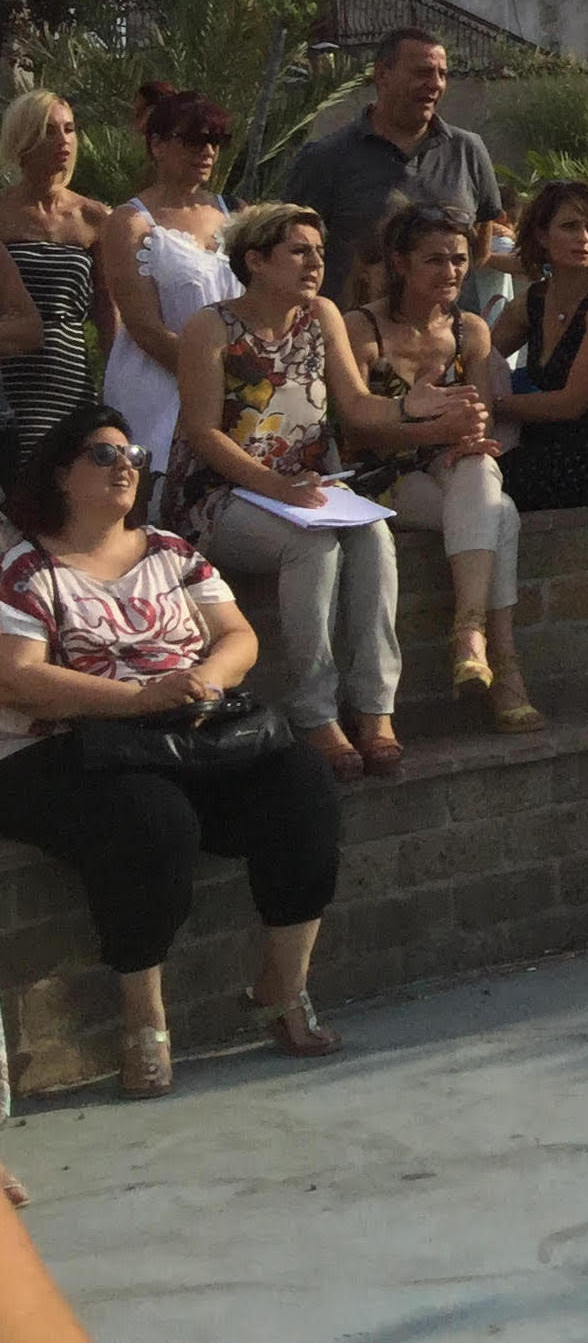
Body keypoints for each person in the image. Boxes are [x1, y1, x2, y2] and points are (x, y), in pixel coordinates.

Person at [0, 408, 346, 1100]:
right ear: (61, 475)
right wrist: (135, 698)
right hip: (64, 749)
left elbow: (237, 634)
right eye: (103, 454)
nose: (125, 462)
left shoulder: (169, 549)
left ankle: (285, 984)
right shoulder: (26, 566)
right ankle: (145, 1021)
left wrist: (206, 678)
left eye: (131, 451)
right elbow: (18, 675)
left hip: (182, 730)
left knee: (303, 784)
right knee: (154, 824)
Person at [162, 204, 487, 781]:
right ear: (256, 261)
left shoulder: (321, 315)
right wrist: (274, 486)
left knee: (375, 538)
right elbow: (203, 432)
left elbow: (358, 405)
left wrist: (412, 405)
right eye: (299, 251)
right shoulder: (210, 328)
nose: (316, 262)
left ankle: (374, 707)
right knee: (312, 549)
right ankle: (314, 713)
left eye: (318, 250)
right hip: (221, 493)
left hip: (310, 489)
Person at [341, 205, 542, 734]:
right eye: (435, 260)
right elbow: (355, 432)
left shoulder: (471, 329)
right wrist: (430, 430)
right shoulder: (361, 330)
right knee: (504, 516)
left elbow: (481, 420)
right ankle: (503, 665)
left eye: (458, 260)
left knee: (480, 469)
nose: (451, 271)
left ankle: (469, 634)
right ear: (401, 263)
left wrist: (466, 435)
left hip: (448, 465)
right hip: (380, 477)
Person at [280, 27, 512, 308]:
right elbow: (288, 251)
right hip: (356, 340)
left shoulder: (467, 150)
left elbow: (482, 239)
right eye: (422, 72)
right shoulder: (326, 158)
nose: (435, 84)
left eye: (442, 74)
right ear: (382, 75)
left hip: (451, 340)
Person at [99, 90, 239, 500]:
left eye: (215, 140)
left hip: (235, 389)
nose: (207, 151)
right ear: (157, 144)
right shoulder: (130, 222)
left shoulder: (236, 214)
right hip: (159, 389)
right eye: (193, 140)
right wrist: (221, 380)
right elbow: (144, 326)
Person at [488, 180, 588, 512]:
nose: (584, 238)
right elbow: (478, 356)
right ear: (542, 235)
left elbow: (571, 404)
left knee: (477, 489)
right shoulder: (532, 302)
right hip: (534, 448)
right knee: (458, 475)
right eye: (570, 226)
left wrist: (492, 405)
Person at [0, 90, 114, 474]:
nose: (63, 140)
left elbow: (107, 311)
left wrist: (116, 384)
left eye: (69, 129)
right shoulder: (2, 214)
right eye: (49, 131)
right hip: (10, 369)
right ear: (24, 140)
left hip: (69, 370)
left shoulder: (93, 217)